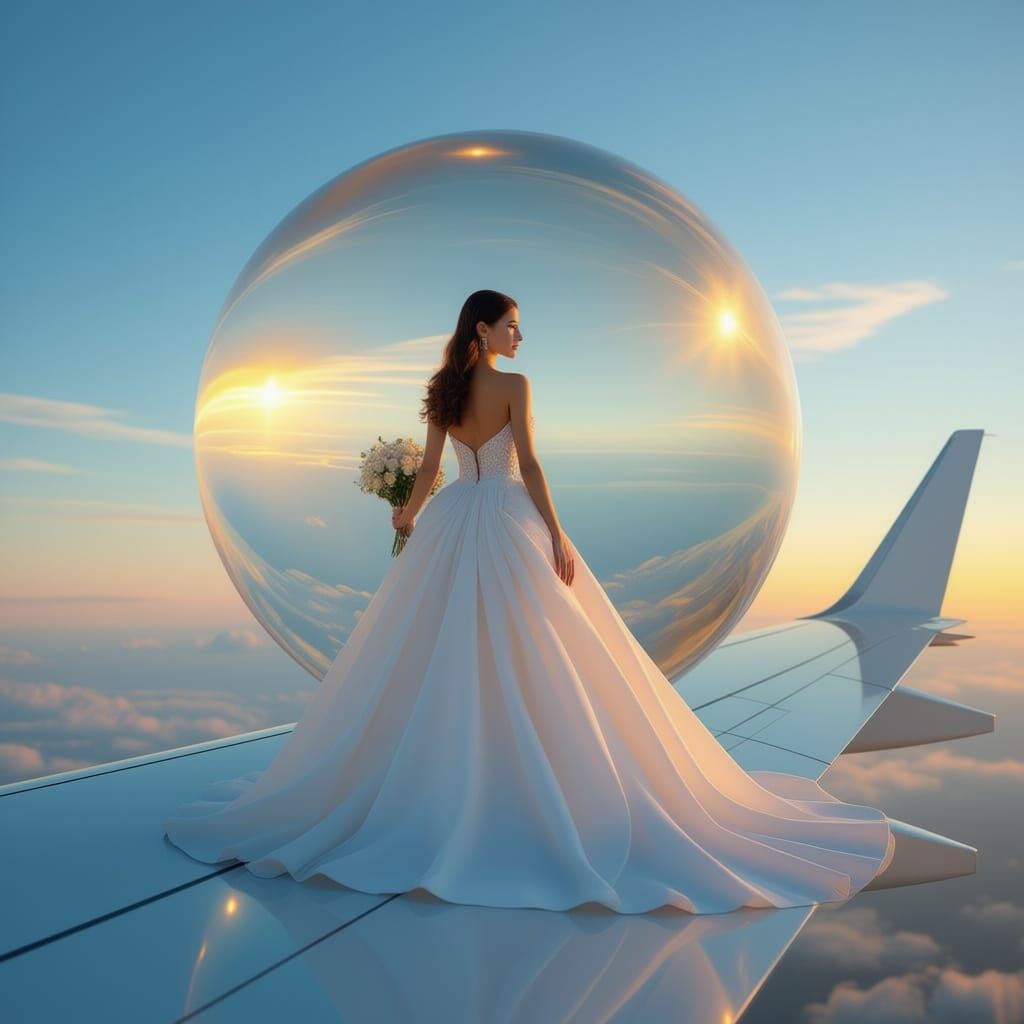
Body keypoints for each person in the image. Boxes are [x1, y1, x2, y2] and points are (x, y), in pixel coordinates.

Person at [163, 289, 896, 915]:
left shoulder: (442, 391)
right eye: (512, 323)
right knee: (537, 649)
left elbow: (425, 471)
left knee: (439, 651)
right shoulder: (515, 387)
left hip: (454, 521)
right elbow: (533, 464)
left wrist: (408, 517)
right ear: (483, 331)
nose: (521, 334)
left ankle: (441, 784)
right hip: (506, 519)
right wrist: (557, 533)